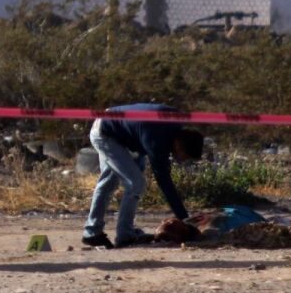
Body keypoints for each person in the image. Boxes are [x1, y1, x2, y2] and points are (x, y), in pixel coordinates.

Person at [82, 104, 205, 248]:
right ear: (178, 145)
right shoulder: (156, 141)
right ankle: (124, 236)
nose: (183, 161)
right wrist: (185, 219)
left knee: (109, 183)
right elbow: (164, 181)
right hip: (106, 132)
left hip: (123, 132)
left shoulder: (174, 125)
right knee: (135, 183)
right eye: (185, 156)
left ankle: (92, 232)